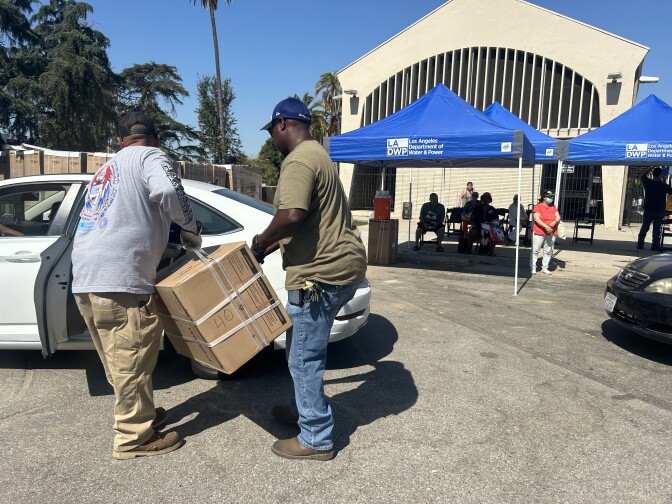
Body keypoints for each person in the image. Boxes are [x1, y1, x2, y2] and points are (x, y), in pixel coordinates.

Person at [71, 111, 202, 460]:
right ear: (157, 139)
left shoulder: (106, 169)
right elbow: (167, 190)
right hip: (120, 277)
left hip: (86, 276)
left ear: (119, 141)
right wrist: (189, 226)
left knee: (119, 358)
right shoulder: (150, 156)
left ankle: (140, 414)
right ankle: (133, 437)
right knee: (132, 356)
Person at [251, 98, 366, 461]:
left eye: (272, 131)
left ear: (283, 124)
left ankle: (316, 437)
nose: (272, 139)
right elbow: (311, 218)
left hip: (319, 275)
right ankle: (303, 410)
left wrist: (259, 243)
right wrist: (269, 249)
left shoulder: (298, 160)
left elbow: (292, 215)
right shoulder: (319, 154)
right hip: (343, 266)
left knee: (303, 357)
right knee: (303, 348)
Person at [637, 167, 672, 252]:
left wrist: (651, 166)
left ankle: (640, 244)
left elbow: (643, 175)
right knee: (656, 230)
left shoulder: (648, 183)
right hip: (659, 210)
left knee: (645, 227)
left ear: (653, 174)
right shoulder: (664, 186)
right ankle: (655, 246)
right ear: (661, 175)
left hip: (648, 209)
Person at [531, 190, 561, 275]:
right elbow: (536, 218)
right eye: (550, 197)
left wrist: (554, 222)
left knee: (548, 250)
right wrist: (546, 227)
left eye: (552, 197)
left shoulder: (553, 207)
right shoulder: (538, 206)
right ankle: (533, 267)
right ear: (544, 198)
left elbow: (558, 217)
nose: (551, 198)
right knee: (535, 250)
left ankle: (545, 267)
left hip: (551, 232)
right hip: (539, 231)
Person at [467, 191, 499, 256]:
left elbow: (496, 220)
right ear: (482, 199)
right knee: (472, 232)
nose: (485, 200)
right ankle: (469, 249)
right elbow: (471, 218)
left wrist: (491, 226)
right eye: (484, 198)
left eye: (487, 198)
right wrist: (474, 225)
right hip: (478, 226)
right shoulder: (477, 208)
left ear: (490, 200)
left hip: (489, 228)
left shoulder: (492, 209)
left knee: (496, 234)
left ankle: (491, 250)